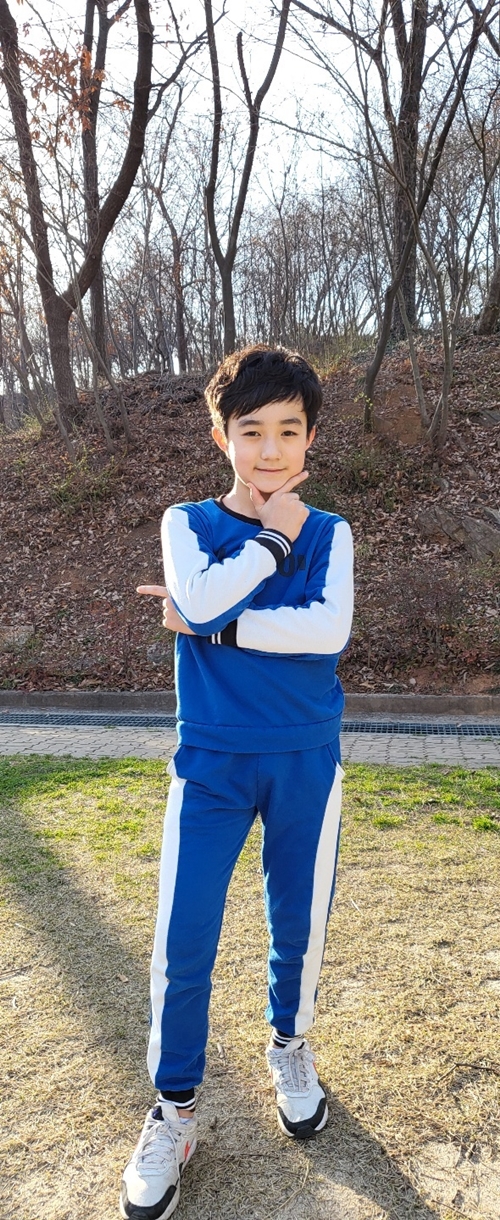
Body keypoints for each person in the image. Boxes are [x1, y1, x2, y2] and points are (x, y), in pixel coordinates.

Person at [120, 345, 354, 1220]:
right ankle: (175, 1109)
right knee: (183, 942)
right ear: (222, 437)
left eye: (288, 431)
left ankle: (289, 1045)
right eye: (251, 431)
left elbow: (324, 632)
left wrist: (214, 627)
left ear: (311, 438)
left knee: (300, 926)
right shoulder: (186, 522)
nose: (270, 449)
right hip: (211, 764)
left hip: (305, 759)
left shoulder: (333, 533)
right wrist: (270, 541)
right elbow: (201, 595)